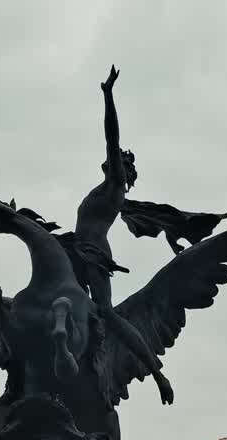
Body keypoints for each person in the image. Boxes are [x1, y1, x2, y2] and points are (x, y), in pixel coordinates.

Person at [72, 65, 173, 404]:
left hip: (92, 252)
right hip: (77, 250)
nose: (113, 159)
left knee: (107, 313)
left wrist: (107, 94)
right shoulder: (105, 188)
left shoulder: (115, 185)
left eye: (120, 160)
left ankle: (155, 371)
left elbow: (110, 135)